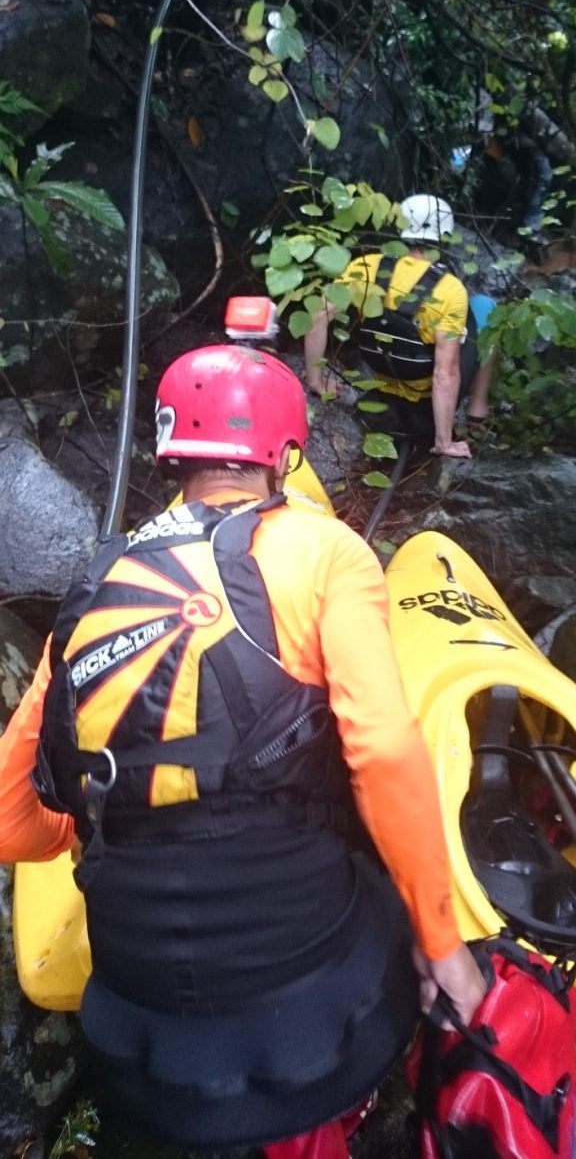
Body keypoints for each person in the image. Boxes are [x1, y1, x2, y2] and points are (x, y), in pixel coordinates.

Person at [0, 345, 485, 1158]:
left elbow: (14, 825)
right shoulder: (326, 551)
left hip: (137, 1013)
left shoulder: (93, 585)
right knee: (368, 854)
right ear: (285, 454)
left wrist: (101, 827)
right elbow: (387, 751)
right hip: (310, 1003)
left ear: (170, 456)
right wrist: (443, 946)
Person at [304, 194, 495, 462]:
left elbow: (317, 315)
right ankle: (478, 406)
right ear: (444, 236)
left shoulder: (367, 266)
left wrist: (316, 381)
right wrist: (444, 442)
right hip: (424, 390)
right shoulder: (449, 288)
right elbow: (445, 373)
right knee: (485, 308)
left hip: (384, 374)